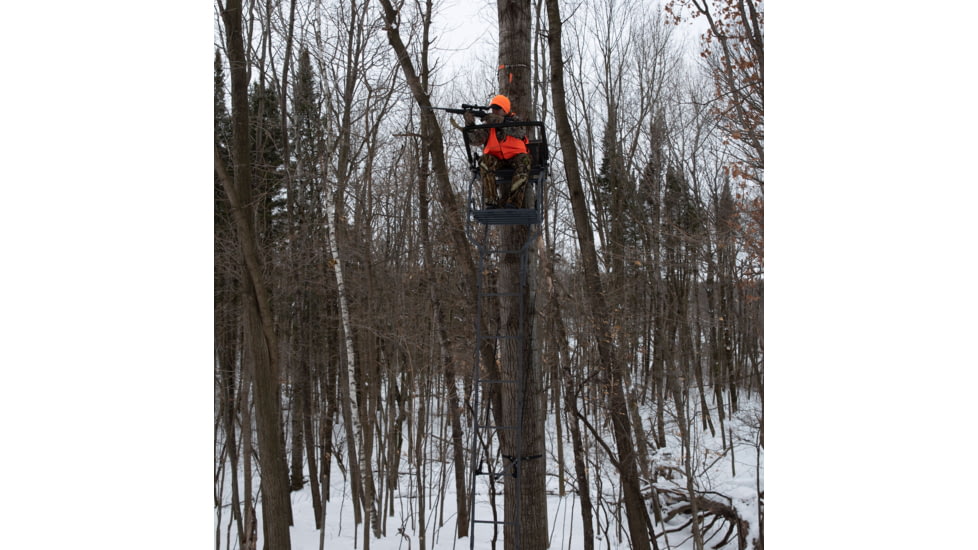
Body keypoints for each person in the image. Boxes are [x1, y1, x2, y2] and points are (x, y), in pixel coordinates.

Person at [464, 95, 532, 209]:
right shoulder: (489, 125)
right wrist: (470, 125)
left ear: (505, 110)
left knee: (525, 162)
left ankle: (514, 203)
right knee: (484, 161)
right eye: (493, 109)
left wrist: (498, 121)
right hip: (496, 158)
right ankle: (491, 201)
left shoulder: (515, 121)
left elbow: (520, 132)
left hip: (516, 156)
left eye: (497, 109)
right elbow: (476, 140)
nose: (494, 111)